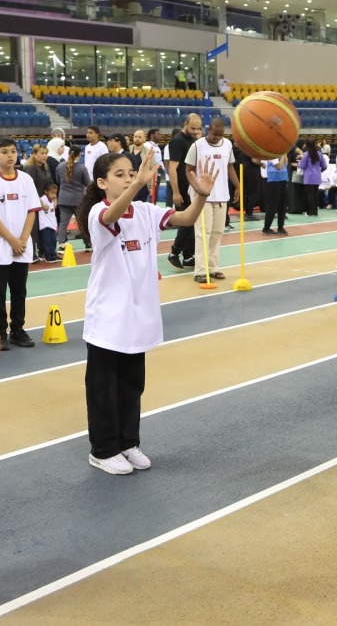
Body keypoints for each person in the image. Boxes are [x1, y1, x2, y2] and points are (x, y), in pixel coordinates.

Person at [74, 150, 218, 474]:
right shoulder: (98, 213)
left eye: (131, 173)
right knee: (104, 388)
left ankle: (127, 443)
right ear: (102, 183)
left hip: (138, 317)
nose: (128, 178)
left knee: (131, 385)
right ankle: (103, 450)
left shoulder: (145, 211)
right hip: (108, 319)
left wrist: (201, 195)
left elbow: (186, 218)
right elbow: (111, 216)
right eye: (120, 175)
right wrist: (139, 183)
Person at [0, 137, 40, 350]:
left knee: (19, 291)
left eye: (13, 151)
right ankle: (0, 332)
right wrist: (12, 240)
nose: (10, 155)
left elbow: (32, 211)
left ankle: (17, 330)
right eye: (4, 152)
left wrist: (22, 240)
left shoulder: (26, 180)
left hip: (21, 246)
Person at [184, 117, 239, 283]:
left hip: (221, 195)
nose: (217, 138)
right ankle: (200, 271)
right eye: (215, 135)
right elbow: (188, 170)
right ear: (209, 130)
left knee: (217, 233)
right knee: (203, 233)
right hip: (202, 196)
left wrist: (237, 186)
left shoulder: (227, 144)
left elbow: (229, 166)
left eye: (220, 135)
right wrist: (197, 187)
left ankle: (213, 268)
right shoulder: (197, 146)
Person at [166, 114, 203, 270]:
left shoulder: (194, 141)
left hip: (192, 187)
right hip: (182, 189)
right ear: (185, 123)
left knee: (194, 222)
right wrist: (176, 192)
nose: (195, 131)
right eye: (192, 128)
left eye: (198, 129)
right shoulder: (178, 141)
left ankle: (188, 255)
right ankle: (174, 252)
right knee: (188, 222)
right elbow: (172, 168)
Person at [56, 144, 92, 251]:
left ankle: (61, 243)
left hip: (63, 198)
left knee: (63, 223)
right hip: (78, 200)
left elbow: (57, 181)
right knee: (82, 222)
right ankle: (87, 242)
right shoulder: (81, 168)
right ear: (79, 155)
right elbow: (88, 184)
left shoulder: (60, 166)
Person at [298, 140, 327, 216]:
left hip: (308, 178)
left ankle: (310, 212)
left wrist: (299, 161)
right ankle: (315, 211)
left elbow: (302, 166)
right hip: (317, 177)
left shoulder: (306, 154)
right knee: (315, 195)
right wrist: (319, 171)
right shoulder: (319, 154)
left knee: (309, 195)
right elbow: (324, 166)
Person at [262, 154, 289, 235]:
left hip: (283, 178)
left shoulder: (282, 153)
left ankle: (280, 227)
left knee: (282, 204)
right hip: (274, 180)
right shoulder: (272, 154)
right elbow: (279, 166)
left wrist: (285, 155)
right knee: (272, 205)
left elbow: (286, 164)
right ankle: (266, 228)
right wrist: (283, 155)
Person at [39, 183, 61, 262]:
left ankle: (53, 254)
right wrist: (42, 205)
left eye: (55, 193)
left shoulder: (52, 201)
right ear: (46, 192)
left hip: (52, 225)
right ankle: (48, 255)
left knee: (53, 240)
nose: (54, 195)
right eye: (52, 193)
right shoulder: (43, 199)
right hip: (45, 225)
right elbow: (38, 200)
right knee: (47, 241)